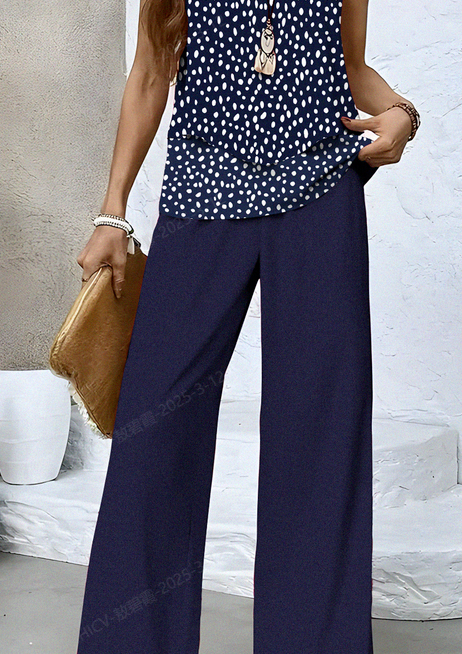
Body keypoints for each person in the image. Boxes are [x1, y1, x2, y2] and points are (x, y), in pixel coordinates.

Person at [76, 1, 420, 653]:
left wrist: (402, 113)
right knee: (154, 429)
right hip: (202, 193)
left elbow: (349, 65)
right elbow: (151, 70)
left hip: (320, 194)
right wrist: (113, 213)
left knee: (318, 429)